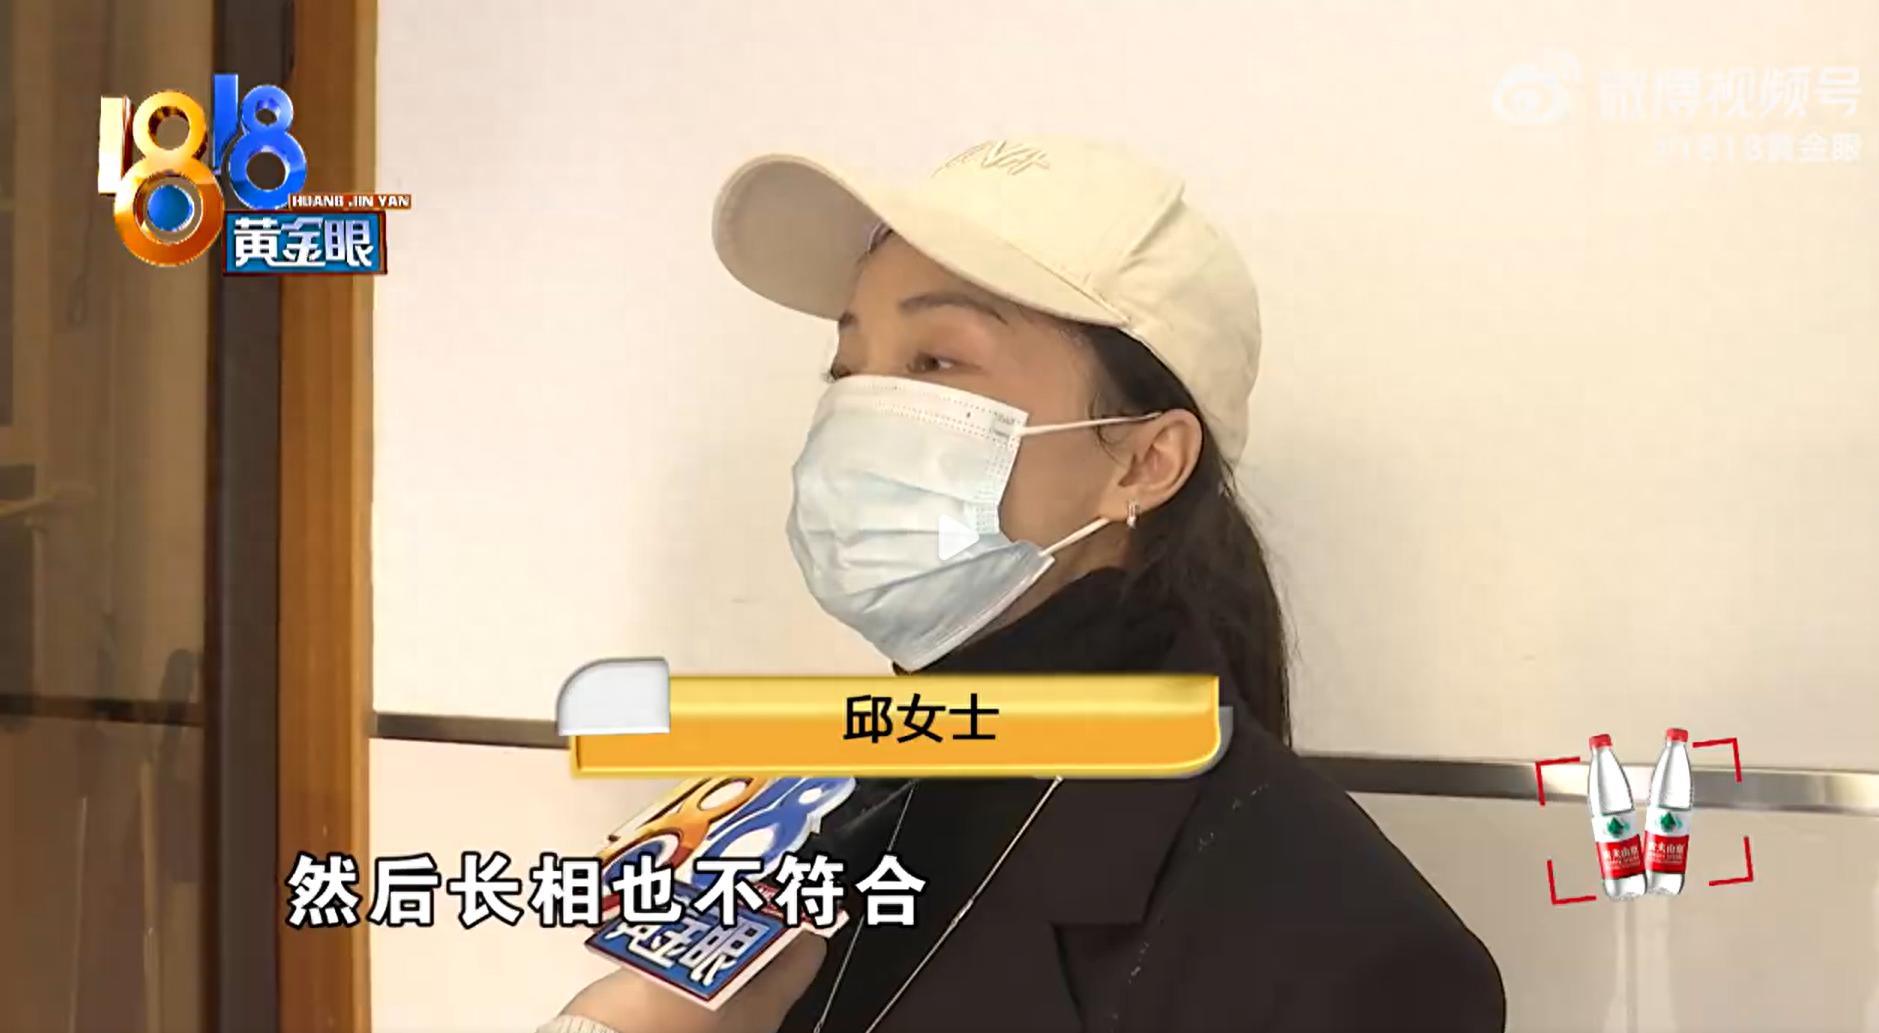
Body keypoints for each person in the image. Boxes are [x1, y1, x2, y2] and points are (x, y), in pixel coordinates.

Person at [541, 136, 1505, 1033]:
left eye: (935, 361)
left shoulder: (1345, 951)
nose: (860, 415)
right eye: (847, 370)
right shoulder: (812, 812)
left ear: (1144, 461)